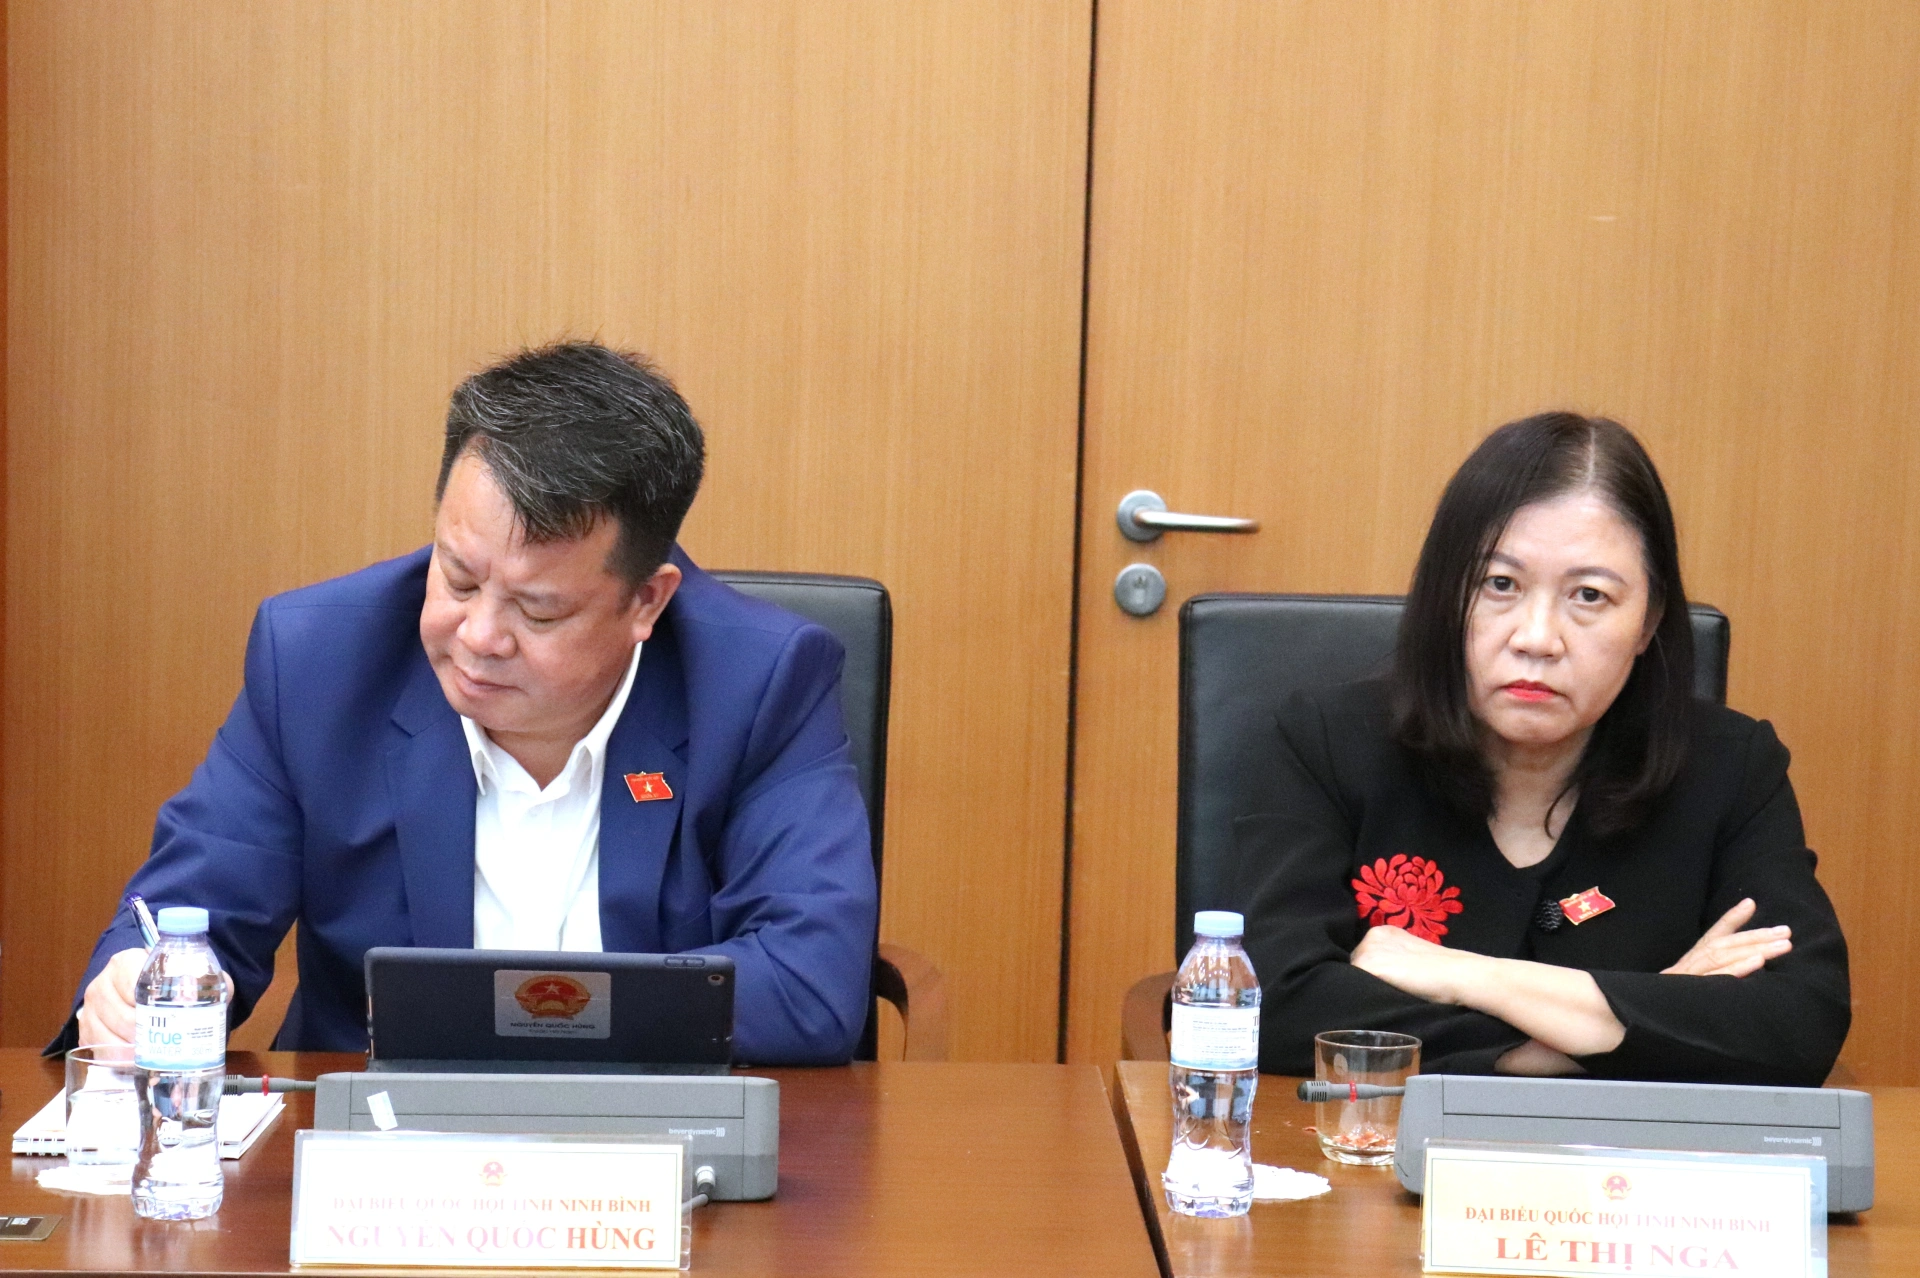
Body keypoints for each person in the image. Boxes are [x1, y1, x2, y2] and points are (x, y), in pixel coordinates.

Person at [60, 342, 878, 1065]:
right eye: (457, 578)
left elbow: (809, 985)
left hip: (659, 1150)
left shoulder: (759, 685)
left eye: (539, 611)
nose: (479, 636)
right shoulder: (317, 663)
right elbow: (194, 911)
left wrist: (536, 1024)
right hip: (384, 1152)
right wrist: (135, 985)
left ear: (646, 602)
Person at [1235, 413, 1850, 1085]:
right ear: (1446, 597)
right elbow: (1258, 1004)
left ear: (1648, 621)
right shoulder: (1327, 743)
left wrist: (1464, 975)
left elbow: (1802, 1020)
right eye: (1499, 584)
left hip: (1627, 1155)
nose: (1536, 638)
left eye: (1589, 595)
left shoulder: (1730, 768)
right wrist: (1637, 1023)